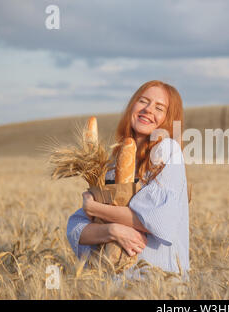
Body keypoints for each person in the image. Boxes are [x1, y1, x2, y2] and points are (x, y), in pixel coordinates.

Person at [66, 80, 189, 281]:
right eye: (143, 101)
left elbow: (158, 221)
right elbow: (76, 231)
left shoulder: (167, 150)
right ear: (132, 106)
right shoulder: (113, 164)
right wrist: (111, 230)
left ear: (169, 119)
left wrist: (95, 208)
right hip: (115, 288)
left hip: (157, 285)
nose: (148, 110)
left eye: (159, 107)